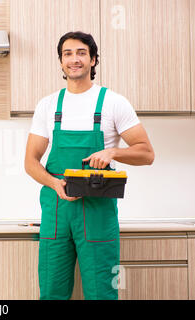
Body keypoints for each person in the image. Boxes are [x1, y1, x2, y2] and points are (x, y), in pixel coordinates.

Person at [24, 31, 155, 300]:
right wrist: (54, 184)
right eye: (67, 54)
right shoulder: (48, 106)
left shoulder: (113, 102)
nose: (74, 59)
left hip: (98, 211)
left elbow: (146, 154)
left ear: (94, 60)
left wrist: (112, 152)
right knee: (51, 292)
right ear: (60, 62)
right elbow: (30, 162)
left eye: (81, 53)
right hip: (57, 209)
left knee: (102, 292)